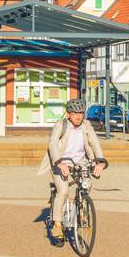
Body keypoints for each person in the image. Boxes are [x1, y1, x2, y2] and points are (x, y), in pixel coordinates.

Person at [42, 98, 107, 245]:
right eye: (74, 113)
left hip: (80, 161)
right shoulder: (61, 125)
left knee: (86, 185)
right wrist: (59, 163)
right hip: (61, 161)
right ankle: (57, 225)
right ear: (68, 114)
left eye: (81, 113)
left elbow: (94, 143)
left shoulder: (86, 125)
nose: (78, 116)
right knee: (63, 191)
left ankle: (82, 209)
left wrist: (100, 161)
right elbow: (52, 144)